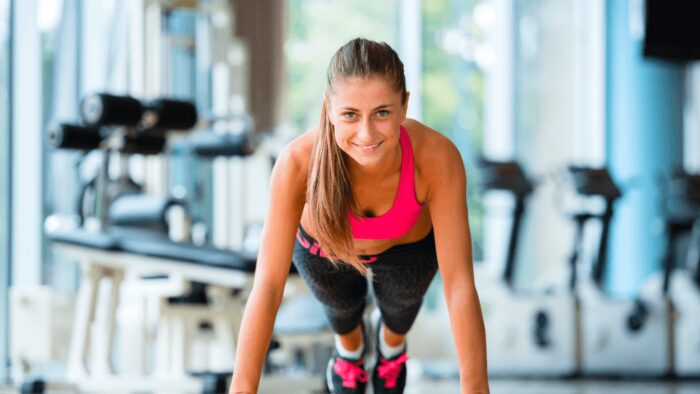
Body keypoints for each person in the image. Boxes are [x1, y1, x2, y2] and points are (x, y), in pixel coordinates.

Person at [229, 38, 488, 394]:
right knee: (344, 316)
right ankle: (349, 352)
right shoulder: (296, 164)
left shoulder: (437, 157)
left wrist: (477, 390)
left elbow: (458, 286)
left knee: (399, 316)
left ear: (404, 106)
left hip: (407, 251)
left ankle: (391, 347)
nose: (366, 134)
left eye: (382, 112)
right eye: (350, 114)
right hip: (325, 252)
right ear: (330, 108)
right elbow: (269, 288)